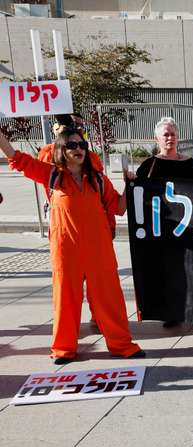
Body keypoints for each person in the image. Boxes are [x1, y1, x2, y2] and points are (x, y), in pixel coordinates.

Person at [0, 128, 144, 364]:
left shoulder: (98, 178)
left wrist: (130, 186)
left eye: (82, 146)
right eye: (72, 146)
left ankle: (121, 345)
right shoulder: (52, 175)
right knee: (65, 299)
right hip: (66, 252)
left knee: (110, 298)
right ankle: (64, 349)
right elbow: (16, 158)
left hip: (99, 250)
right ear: (61, 150)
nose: (79, 150)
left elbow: (118, 208)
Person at [38, 113, 108, 331]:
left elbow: (102, 189)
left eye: (77, 128)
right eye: (66, 127)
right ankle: (67, 327)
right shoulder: (48, 153)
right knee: (67, 282)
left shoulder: (90, 157)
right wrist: (59, 142)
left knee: (97, 278)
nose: (73, 130)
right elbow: (42, 165)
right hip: (63, 224)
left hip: (92, 222)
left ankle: (99, 316)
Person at [135, 117, 193, 328]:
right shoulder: (148, 166)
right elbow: (139, 197)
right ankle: (171, 312)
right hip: (162, 230)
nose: (170, 138)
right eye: (165, 134)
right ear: (156, 138)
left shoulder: (191, 165)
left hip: (188, 227)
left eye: (173, 134)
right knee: (167, 270)